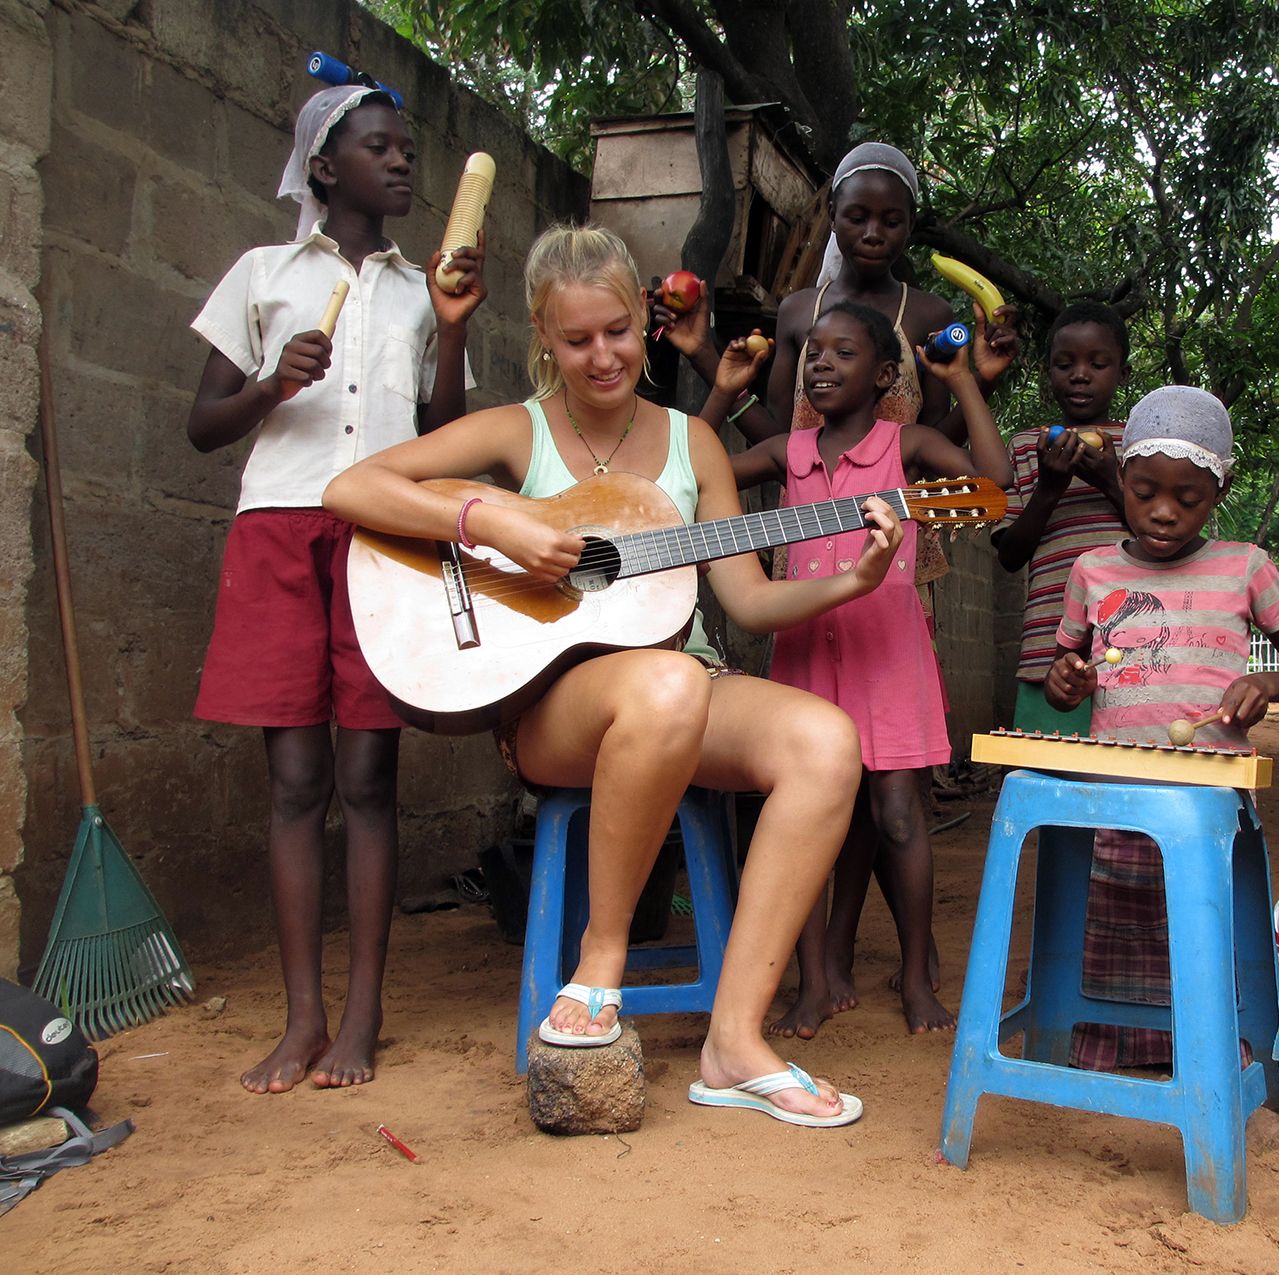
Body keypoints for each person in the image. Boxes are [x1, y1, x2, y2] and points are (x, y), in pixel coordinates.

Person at [324, 224, 903, 1127]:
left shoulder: (690, 445)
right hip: (561, 711)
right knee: (660, 688)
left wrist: (849, 579)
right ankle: (601, 962)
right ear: (543, 338)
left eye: (617, 332)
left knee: (829, 742)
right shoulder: (519, 430)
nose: (602, 356)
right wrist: (491, 522)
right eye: (577, 338)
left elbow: (745, 605)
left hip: (685, 684)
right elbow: (351, 490)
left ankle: (735, 1041)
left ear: (644, 317)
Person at [186, 85, 485, 1093]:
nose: (402, 163)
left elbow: (446, 436)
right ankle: (302, 1018)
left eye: (407, 150)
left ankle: (363, 1015)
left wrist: (451, 328)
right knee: (295, 784)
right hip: (278, 530)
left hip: (383, 537)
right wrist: (273, 382)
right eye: (379, 148)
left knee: (367, 782)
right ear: (324, 166)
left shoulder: (420, 290)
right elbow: (203, 425)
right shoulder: (263, 274)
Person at [703, 300, 1012, 1036]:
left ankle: (914, 975)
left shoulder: (906, 444)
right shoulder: (788, 450)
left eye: (843, 353)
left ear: (882, 375)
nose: (820, 363)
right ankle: (812, 980)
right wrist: (721, 389)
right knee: (802, 818)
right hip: (806, 655)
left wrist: (963, 381)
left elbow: (994, 482)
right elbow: (695, 470)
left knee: (899, 816)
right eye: (814, 351)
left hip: (888, 656)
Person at [1042, 386, 1279, 1072]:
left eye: (1188, 498)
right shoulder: (1093, 571)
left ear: (1220, 488)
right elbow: (1064, 677)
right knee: (1117, 916)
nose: (1164, 511)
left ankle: (1207, 1043)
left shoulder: (1246, 567)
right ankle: (1111, 1041)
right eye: (1144, 492)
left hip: (1210, 800)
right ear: (1121, 480)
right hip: (1118, 791)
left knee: (1200, 918)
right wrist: (1067, 682)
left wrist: (1267, 684)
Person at [654, 141, 1018, 606]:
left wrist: (977, 380)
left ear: (910, 226)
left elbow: (932, 446)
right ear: (831, 212)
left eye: (891, 221)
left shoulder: (929, 313)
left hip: (890, 540)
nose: (872, 233)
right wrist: (706, 357)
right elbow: (780, 435)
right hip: (807, 529)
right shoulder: (799, 310)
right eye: (856, 216)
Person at [994, 302, 1132, 734]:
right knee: (1047, 774)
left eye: (1098, 363)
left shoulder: (1140, 445)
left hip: (1134, 649)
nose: (1080, 375)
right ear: (1047, 372)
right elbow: (1011, 555)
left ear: (1122, 374)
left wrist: (1112, 480)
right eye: (1065, 363)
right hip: (1048, 654)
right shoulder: (1025, 447)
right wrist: (1049, 490)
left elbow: (1167, 534)